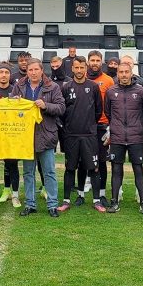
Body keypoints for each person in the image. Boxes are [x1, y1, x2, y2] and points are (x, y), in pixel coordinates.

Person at [10, 59, 65, 217]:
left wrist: (46, 105)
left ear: (42, 71)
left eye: (36, 69)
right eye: (30, 70)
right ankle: (30, 204)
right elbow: (10, 108)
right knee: (28, 172)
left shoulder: (52, 87)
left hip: (46, 135)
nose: (33, 72)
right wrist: (14, 104)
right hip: (25, 136)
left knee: (49, 172)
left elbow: (61, 107)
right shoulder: (19, 86)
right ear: (26, 71)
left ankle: (52, 205)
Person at [104, 61, 143, 213]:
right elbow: (108, 113)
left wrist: (137, 125)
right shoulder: (111, 91)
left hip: (135, 137)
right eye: (121, 72)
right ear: (117, 74)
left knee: (138, 169)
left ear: (131, 73)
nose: (124, 75)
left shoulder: (141, 91)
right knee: (116, 169)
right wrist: (116, 127)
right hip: (117, 137)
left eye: (126, 72)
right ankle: (114, 202)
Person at [58, 56, 103, 211]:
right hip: (71, 135)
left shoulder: (94, 87)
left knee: (93, 168)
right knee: (70, 168)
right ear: (72, 68)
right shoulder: (65, 87)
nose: (79, 70)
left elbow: (98, 110)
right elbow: (62, 111)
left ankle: (97, 200)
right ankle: (66, 200)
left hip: (89, 135)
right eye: (76, 67)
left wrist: (89, 124)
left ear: (86, 67)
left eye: (81, 67)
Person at [83, 50, 114, 209]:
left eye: (97, 60)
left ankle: (101, 194)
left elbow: (113, 104)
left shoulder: (108, 81)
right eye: (92, 60)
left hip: (103, 126)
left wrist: (111, 127)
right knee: (84, 161)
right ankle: (81, 193)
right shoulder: (83, 78)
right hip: (85, 127)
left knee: (102, 162)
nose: (94, 63)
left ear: (101, 62)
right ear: (88, 62)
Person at [0, 63, 21, 207]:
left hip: (10, 134)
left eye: (6, 72)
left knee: (12, 165)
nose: (3, 75)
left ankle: (14, 194)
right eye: (1, 72)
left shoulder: (15, 90)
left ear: (10, 75)